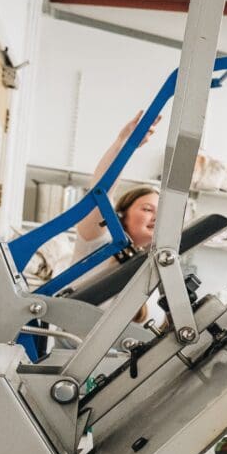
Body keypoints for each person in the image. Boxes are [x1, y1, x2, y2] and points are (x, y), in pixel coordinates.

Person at [70, 112, 161, 323]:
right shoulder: (98, 243)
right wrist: (124, 144)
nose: (157, 216)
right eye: (148, 209)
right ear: (121, 215)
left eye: (161, 212)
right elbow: (100, 192)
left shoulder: (153, 266)